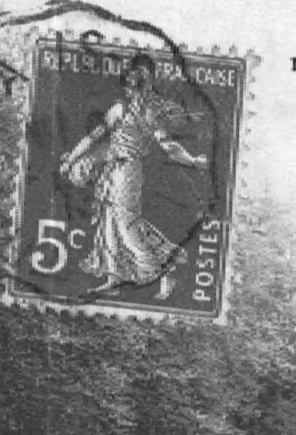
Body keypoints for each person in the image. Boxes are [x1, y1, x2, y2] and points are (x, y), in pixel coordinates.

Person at [59, 53, 210, 299]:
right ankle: (114, 278)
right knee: (109, 225)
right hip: (111, 171)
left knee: (126, 226)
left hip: (128, 172)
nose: (132, 89)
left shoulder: (152, 112)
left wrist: (192, 161)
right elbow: (94, 137)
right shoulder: (119, 109)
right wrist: (72, 159)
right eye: (129, 84)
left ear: (146, 83)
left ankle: (166, 268)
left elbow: (169, 146)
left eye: (136, 84)